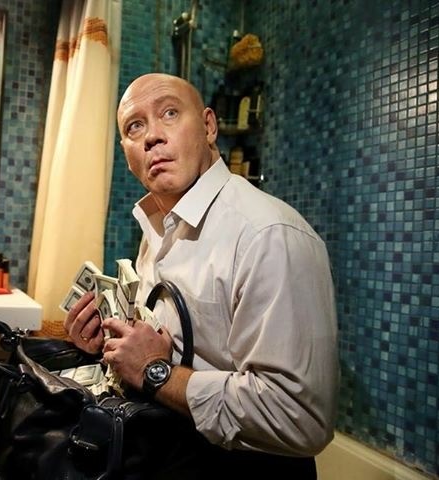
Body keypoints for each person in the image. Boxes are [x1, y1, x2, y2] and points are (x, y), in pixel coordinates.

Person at [64, 73, 338, 475]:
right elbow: (166, 345)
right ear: (126, 153)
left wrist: (155, 373)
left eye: (170, 113)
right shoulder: (157, 231)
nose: (152, 136)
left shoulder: (268, 235)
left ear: (209, 127)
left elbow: (298, 418)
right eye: (134, 126)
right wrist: (109, 347)